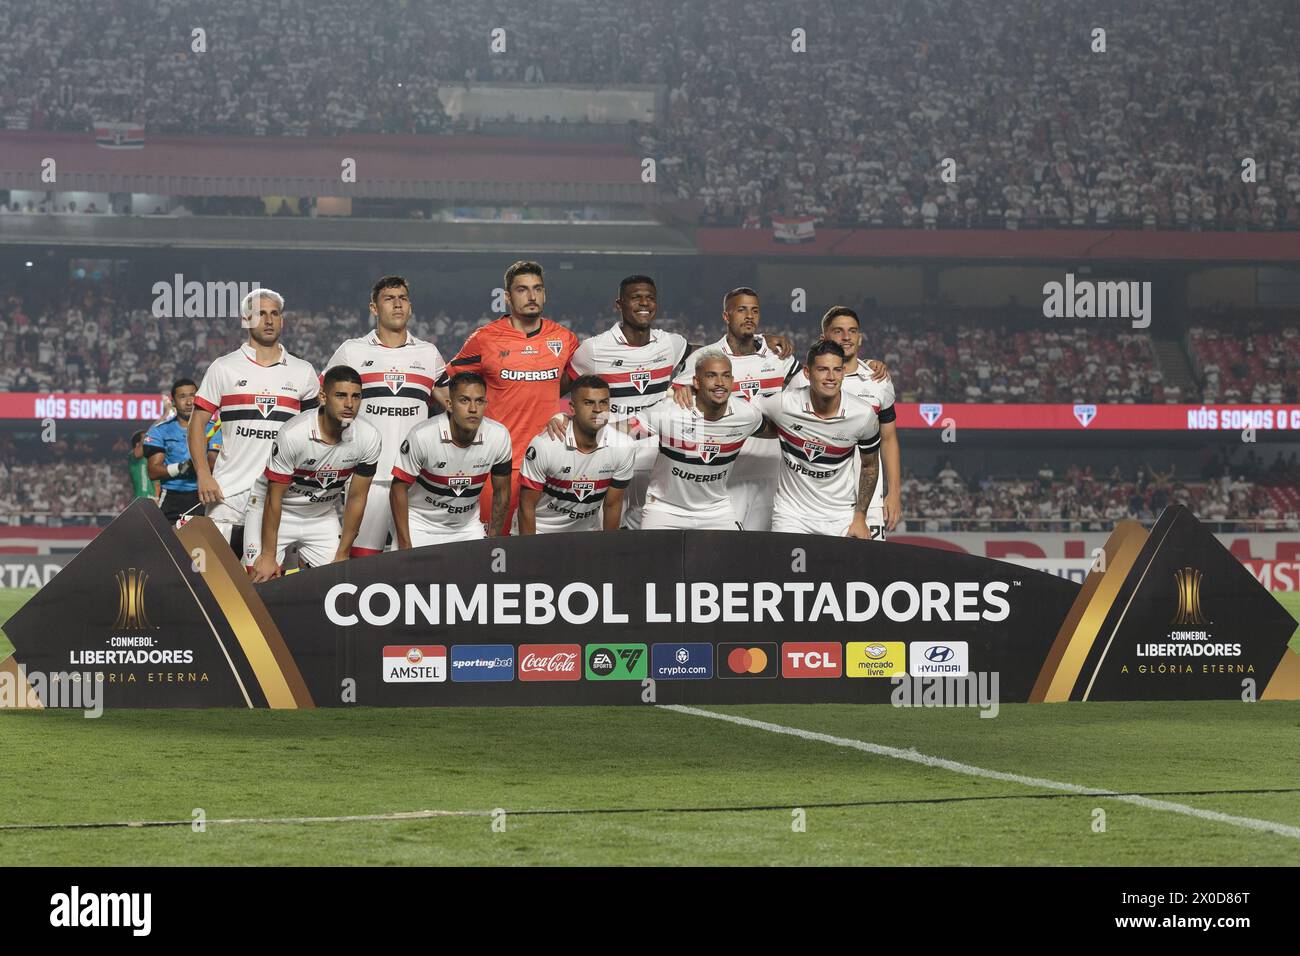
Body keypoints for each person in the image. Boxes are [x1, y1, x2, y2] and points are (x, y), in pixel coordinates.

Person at [564, 276, 795, 529]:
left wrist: (760, 337)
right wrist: (565, 420)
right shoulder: (594, 349)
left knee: (644, 539)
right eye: (635, 297)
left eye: (650, 298)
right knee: (607, 530)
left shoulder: (671, 343)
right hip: (616, 452)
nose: (644, 303)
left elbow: (712, 355)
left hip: (656, 458)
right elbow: (559, 389)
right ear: (618, 304)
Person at [434, 261, 578, 534]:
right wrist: (465, 422)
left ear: (545, 294)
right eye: (522, 290)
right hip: (499, 465)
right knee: (492, 547)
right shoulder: (485, 339)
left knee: (544, 549)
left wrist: (564, 413)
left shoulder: (564, 338)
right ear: (508, 298)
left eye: (537, 289)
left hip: (551, 462)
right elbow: (443, 383)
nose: (532, 296)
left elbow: (582, 387)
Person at [189, 288, 320, 555]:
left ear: (282, 320)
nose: (269, 320)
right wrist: (203, 473)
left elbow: (314, 433)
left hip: (280, 492)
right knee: (214, 578)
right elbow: (196, 423)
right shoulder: (224, 367)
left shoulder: (303, 372)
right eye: (260, 314)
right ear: (245, 320)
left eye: (274, 314)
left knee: (267, 579)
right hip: (226, 493)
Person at [324, 275, 447, 556]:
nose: (397, 304)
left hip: (415, 479)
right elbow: (325, 400)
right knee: (361, 561)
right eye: (389, 299)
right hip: (367, 477)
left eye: (402, 298)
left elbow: (454, 404)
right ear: (374, 308)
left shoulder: (429, 354)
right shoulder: (352, 350)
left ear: (410, 306)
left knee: (414, 562)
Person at [247, 366, 382, 581]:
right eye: (341, 395)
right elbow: (274, 497)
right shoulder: (293, 434)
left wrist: (343, 553)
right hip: (273, 509)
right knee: (261, 579)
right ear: (323, 396)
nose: (349, 404)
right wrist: (268, 555)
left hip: (320, 514)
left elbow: (357, 498)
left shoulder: (369, 437)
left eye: (356, 396)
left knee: (340, 583)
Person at [761, 341, 882, 537]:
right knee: (783, 567)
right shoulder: (784, 403)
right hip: (792, 516)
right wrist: (693, 389)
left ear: (843, 372)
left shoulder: (863, 415)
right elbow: (743, 411)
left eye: (837, 370)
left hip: (841, 517)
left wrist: (860, 517)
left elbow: (870, 466)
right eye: (823, 369)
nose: (831, 377)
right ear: (808, 373)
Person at [391, 372, 513, 546]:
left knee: (481, 573)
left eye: (479, 401)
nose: (473, 409)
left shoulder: (499, 436)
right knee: (408, 572)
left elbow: (502, 493)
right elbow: (398, 489)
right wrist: (405, 545)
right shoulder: (422, 436)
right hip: (419, 525)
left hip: (467, 528)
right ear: (449, 404)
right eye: (464, 400)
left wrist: (492, 541)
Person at [818, 306, 902, 538]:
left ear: (860, 338)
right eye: (838, 331)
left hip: (868, 501)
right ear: (824, 337)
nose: (846, 337)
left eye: (852, 331)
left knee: (867, 572)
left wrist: (894, 493)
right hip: (818, 502)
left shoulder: (878, 382)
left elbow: (889, 439)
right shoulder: (808, 380)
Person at [518, 375, 636, 534]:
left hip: (586, 534)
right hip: (540, 531)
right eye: (589, 403)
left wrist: (609, 551)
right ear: (572, 407)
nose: (598, 409)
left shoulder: (623, 446)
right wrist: (530, 554)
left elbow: (612, 505)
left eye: (603, 402)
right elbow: (527, 506)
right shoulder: (545, 445)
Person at [143, 378, 221, 524]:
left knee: (202, 546)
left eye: (193, 395)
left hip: (205, 495)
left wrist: (195, 465)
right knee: (168, 544)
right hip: (171, 498)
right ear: (173, 402)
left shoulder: (213, 429)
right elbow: (153, 471)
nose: (189, 402)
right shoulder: (160, 431)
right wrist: (180, 468)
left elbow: (214, 464)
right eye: (182, 397)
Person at [128, 431, 156, 500]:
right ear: (137, 444)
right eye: (145, 437)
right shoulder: (133, 457)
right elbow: (138, 454)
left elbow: (156, 483)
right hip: (141, 500)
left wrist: (157, 498)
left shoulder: (151, 458)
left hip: (153, 500)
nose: (148, 438)